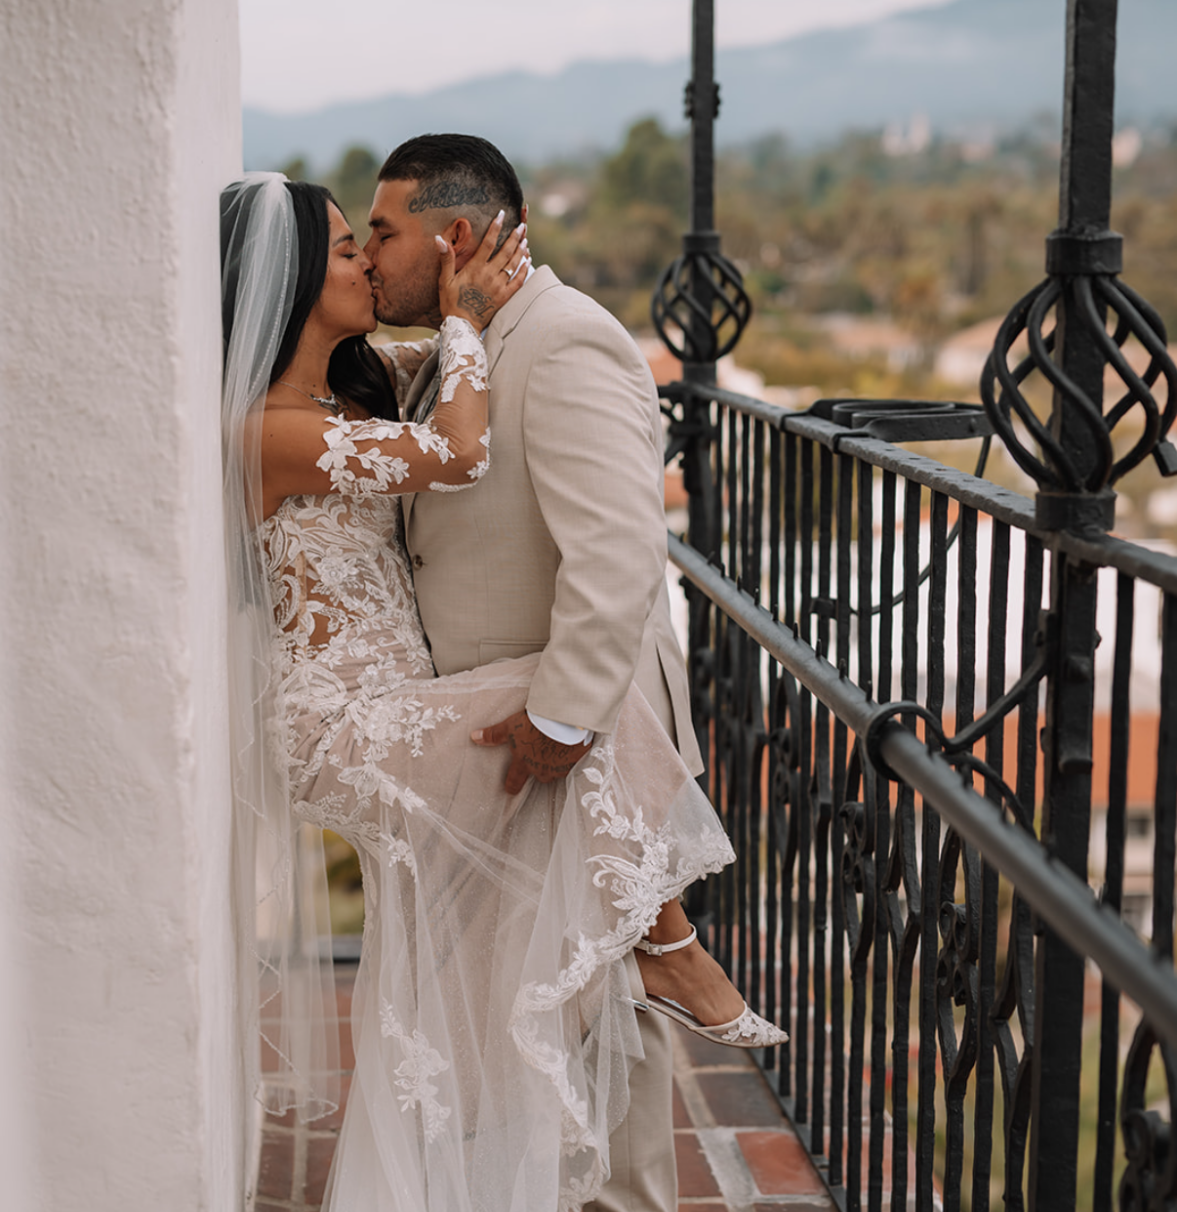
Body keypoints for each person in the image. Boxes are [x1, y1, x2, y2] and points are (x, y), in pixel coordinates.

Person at [221, 173, 784, 1212]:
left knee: (472, 986)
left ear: (457, 237)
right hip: (343, 722)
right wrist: (469, 314)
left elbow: (467, 402)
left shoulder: (379, 378)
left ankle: (472, 1174)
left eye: (374, 238)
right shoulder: (265, 428)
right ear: (293, 279)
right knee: (568, 721)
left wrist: (464, 316)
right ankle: (668, 948)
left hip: (419, 706)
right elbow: (457, 449)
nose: (365, 260)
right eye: (348, 247)